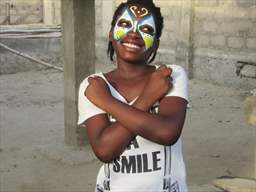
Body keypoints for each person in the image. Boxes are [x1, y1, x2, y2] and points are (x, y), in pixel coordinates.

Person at [78, 0, 189, 191]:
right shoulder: (93, 85)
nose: (134, 33)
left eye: (145, 29)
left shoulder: (170, 75)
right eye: (125, 24)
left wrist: (106, 101)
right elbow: (104, 150)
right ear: (111, 34)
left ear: (156, 43)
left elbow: (167, 132)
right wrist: (149, 97)